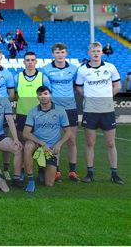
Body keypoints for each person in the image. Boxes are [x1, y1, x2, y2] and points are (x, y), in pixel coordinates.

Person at [75, 42, 123, 185]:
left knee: (110, 143)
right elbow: (78, 87)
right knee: (90, 142)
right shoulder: (82, 70)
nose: (96, 53)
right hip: (90, 111)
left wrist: (107, 97)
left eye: (98, 51)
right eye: (93, 51)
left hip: (107, 110)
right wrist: (89, 98)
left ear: (102, 53)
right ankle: (90, 173)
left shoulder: (110, 67)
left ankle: (114, 173)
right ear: (89, 53)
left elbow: (117, 86)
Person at [23, 86, 71, 193]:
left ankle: (42, 169)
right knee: (28, 146)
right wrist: (41, 143)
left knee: (49, 184)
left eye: (45, 94)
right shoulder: (33, 112)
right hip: (38, 145)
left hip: (51, 149)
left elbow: (68, 132)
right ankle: (30, 180)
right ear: (37, 97)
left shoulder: (60, 111)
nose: (43, 96)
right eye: (40, 94)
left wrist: (59, 144)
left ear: (50, 95)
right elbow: (26, 133)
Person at [14, 52, 51, 140]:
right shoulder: (17, 78)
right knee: (21, 142)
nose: (30, 62)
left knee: (39, 143)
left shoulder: (43, 78)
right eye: (27, 60)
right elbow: (15, 95)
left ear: (36, 62)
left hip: (38, 114)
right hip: (21, 114)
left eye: (32, 60)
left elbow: (48, 98)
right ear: (24, 62)